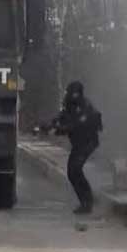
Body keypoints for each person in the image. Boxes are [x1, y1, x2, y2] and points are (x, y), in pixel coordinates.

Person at [50, 81, 102, 215]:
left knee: (75, 169)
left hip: (88, 142)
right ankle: (86, 200)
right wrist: (53, 124)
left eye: (72, 93)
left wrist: (62, 128)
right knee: (72, 172)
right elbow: (62, 118)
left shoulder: (85, 106)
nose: (70, 95)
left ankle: (87, 201)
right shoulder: (69, 105)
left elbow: (79, 124)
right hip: (78, 143)